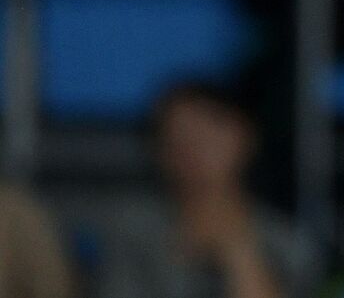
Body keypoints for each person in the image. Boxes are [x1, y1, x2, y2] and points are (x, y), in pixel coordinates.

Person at [95, 83, 319, 298]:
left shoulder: (287, 243)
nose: (192, 150)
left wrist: (239, 253)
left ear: (246, 136)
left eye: (206, 133)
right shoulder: (134, 231)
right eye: (176, 137)